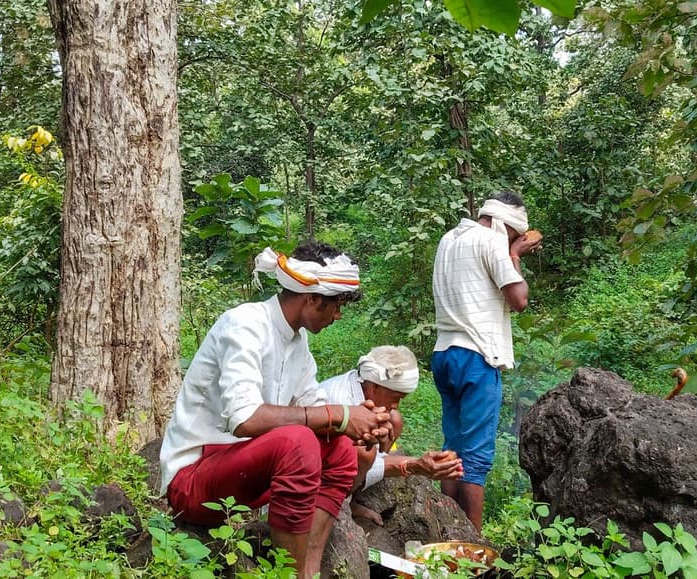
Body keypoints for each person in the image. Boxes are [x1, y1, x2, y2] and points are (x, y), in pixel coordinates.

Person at [158, 241, 394, 578]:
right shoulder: (244, 324)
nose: (338, 315)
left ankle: (306, 571)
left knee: (340, 448)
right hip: (194, 480)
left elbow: (315, 407)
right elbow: (245, 418)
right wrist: (338, 416)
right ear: (312, 299)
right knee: (297, 442)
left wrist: (362, 423)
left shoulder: (297, 344)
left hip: (243, 474)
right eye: (336, 305)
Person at [430, 191, 541, 532]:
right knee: (475, 457)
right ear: (502, 224)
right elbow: (519, 299)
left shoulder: (448, 239)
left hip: (443, 353)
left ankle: (444, 532)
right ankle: (474, 544)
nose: (515, 241)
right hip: (476, 358)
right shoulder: (494, 242)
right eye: (513, 235)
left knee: (452, 449)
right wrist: (514, 254)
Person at [318, 346, 464, 524]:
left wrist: (416, 464)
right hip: (318, 471)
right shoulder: (342, 399)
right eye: (395, 397)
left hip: (342, 462)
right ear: (374, 387)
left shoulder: (362, 387)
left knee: (394, 419)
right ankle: (339, 503)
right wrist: (414, 465)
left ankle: (351, 497)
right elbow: (355, 458)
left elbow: (374, 459)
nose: (396, 405)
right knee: (364, 452)